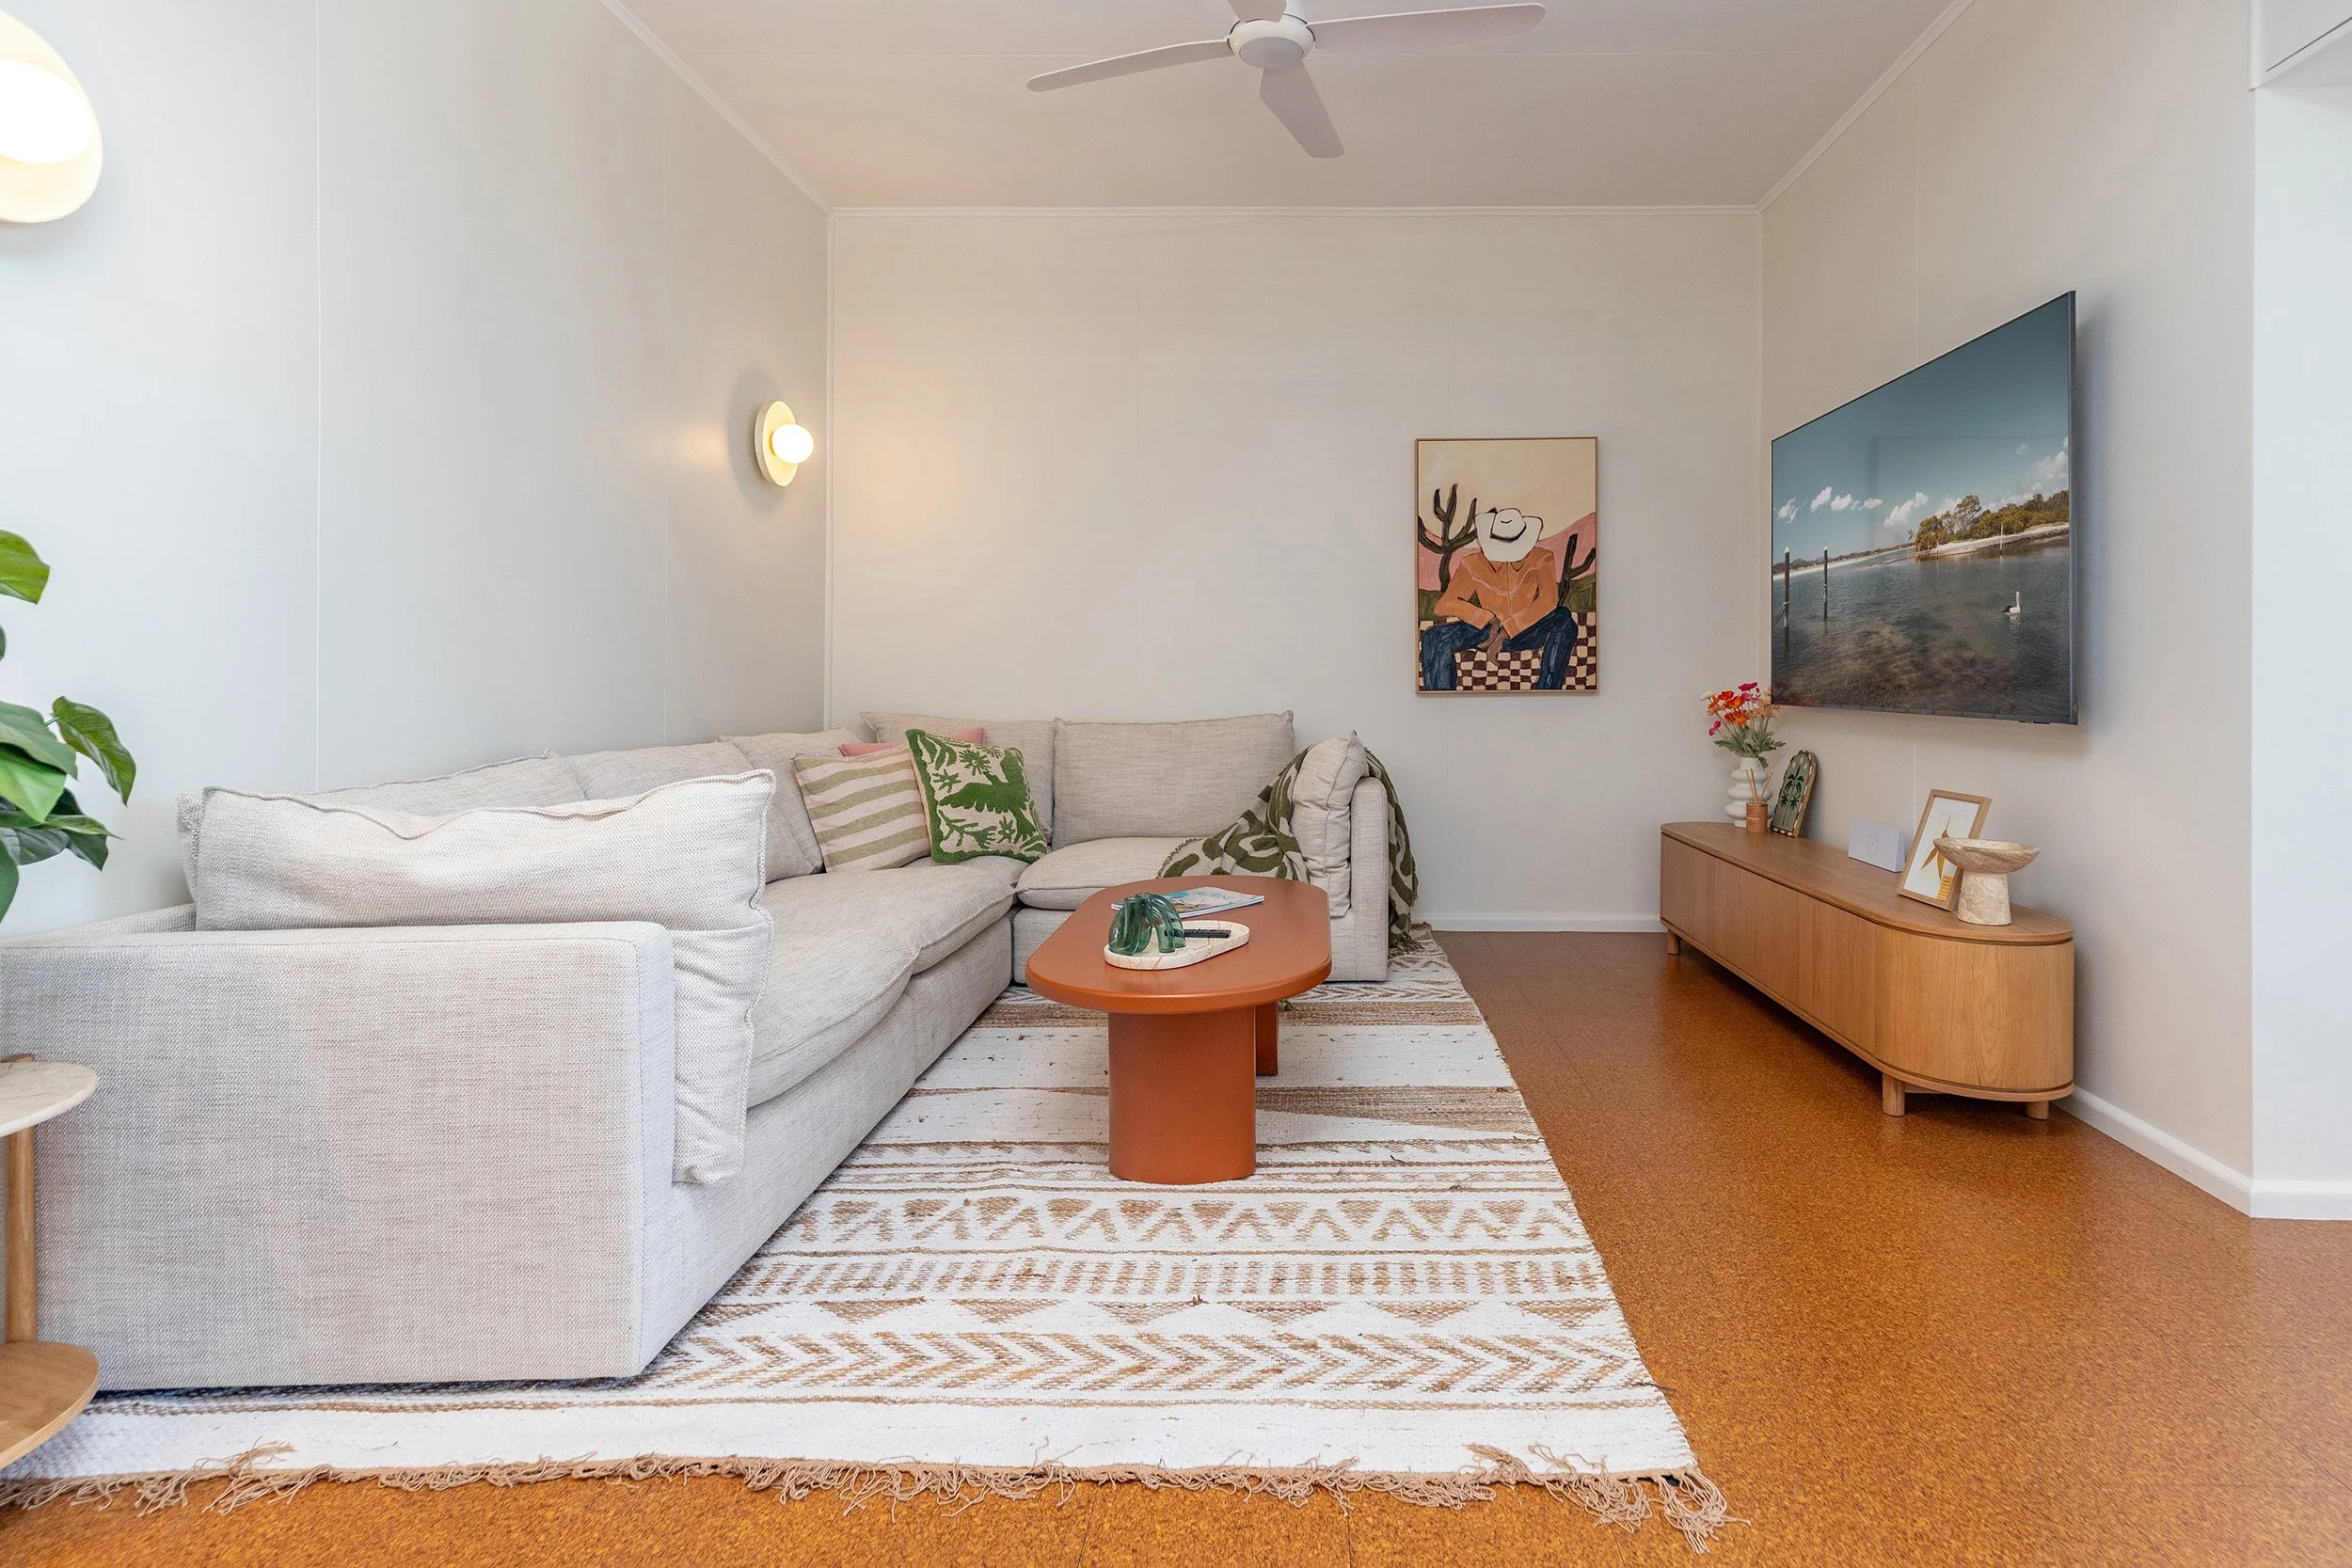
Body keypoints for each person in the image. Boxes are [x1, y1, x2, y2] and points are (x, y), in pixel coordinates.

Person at [1420, 506, 1580, 689]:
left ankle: (1547, 692)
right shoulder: (1472, 563)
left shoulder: (1542, 558)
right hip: (1486, 631)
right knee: (1434, 637)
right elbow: (1444, 604)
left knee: (1564, 619)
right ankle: (1442, 703)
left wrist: (1507, 631)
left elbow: (1548, 602)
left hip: (1527, 631)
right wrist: (1488, 618)